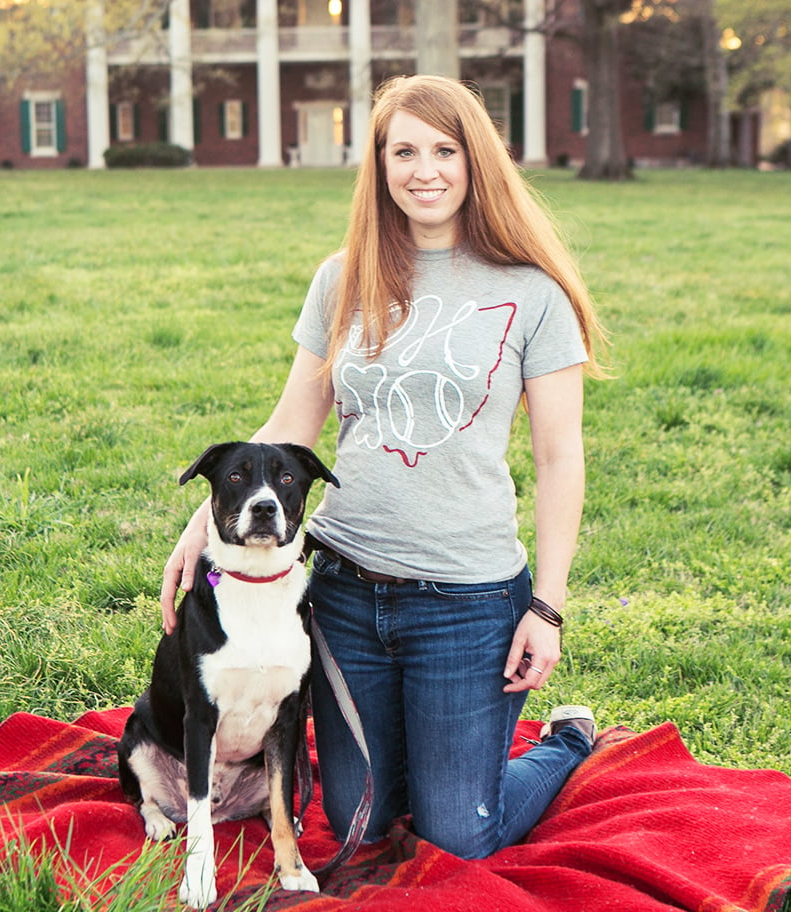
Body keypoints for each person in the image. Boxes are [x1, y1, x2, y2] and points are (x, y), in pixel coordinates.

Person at [160, 74, 607, 860]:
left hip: (466, 600)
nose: (424, 169)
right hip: (343, 590)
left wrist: (549, 605)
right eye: (404, 151)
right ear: (380, 163)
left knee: (458, 837)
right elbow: (295, 420)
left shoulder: (532, 293)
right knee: (358, 821)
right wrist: (202, 523)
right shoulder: (343, 277)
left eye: (445, 150)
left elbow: (558, 453)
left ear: (477, 162)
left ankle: (565, 742)